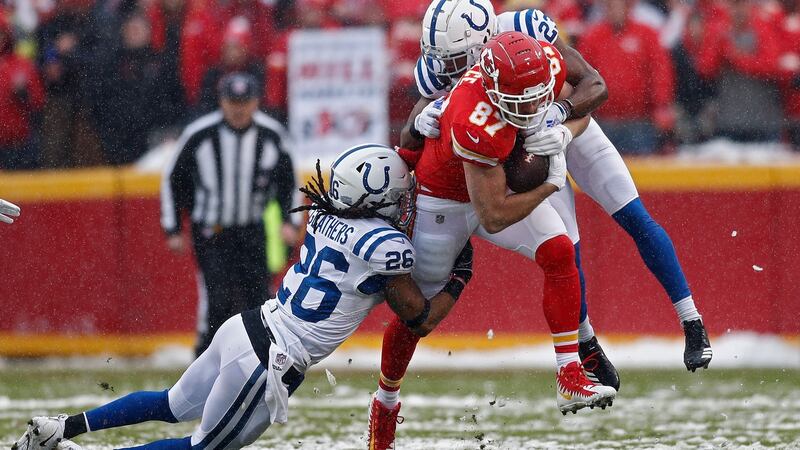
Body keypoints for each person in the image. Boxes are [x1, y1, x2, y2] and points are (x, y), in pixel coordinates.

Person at [11, 144, 474, 450]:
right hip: (272, 357)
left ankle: (64, 427)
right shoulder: (385, 250)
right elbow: (417, 317)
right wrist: (458, 276)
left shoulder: (322, 213)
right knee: (200, 448)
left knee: (171, 403)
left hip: (249, 325)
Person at [403, 0, 711, 389]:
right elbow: (407, 138)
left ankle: (691, 320)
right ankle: (587, 345)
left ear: (483, 42)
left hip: (565, 128)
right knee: (565, 246)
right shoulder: (445, 69)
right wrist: (420, 122)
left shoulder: (524, 31)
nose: (446, 69)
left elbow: (595, 84)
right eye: (441, 59)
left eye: (457, 58)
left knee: (633, 215)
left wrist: (562, 116)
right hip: (524, 150)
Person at [368, 31, 617, 450]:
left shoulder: (543, 67)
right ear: (492, 87)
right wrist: (550, 184)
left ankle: (570, 374)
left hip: (492, 184)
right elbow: (494, 214)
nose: (533, 109)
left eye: (540, 98)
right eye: (522, 102)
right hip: (445, 199)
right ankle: (385, 404)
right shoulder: (474, 118)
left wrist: (564, 128)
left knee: (558, 250)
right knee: (420, 316)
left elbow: (589, 98)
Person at [161, 72, 299, 356]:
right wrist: (173, 227)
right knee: (217, 297)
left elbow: (289, 181)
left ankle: (259, 359)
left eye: (245, 101)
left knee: (258, 298)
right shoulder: (200, 135)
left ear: (255, 102)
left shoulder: (271, 135)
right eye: (232, 101)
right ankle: (206, 357)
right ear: (221, 102)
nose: (238, 108)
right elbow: (174, 180)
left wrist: (290, 219)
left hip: (251, 228)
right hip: (211, 230)